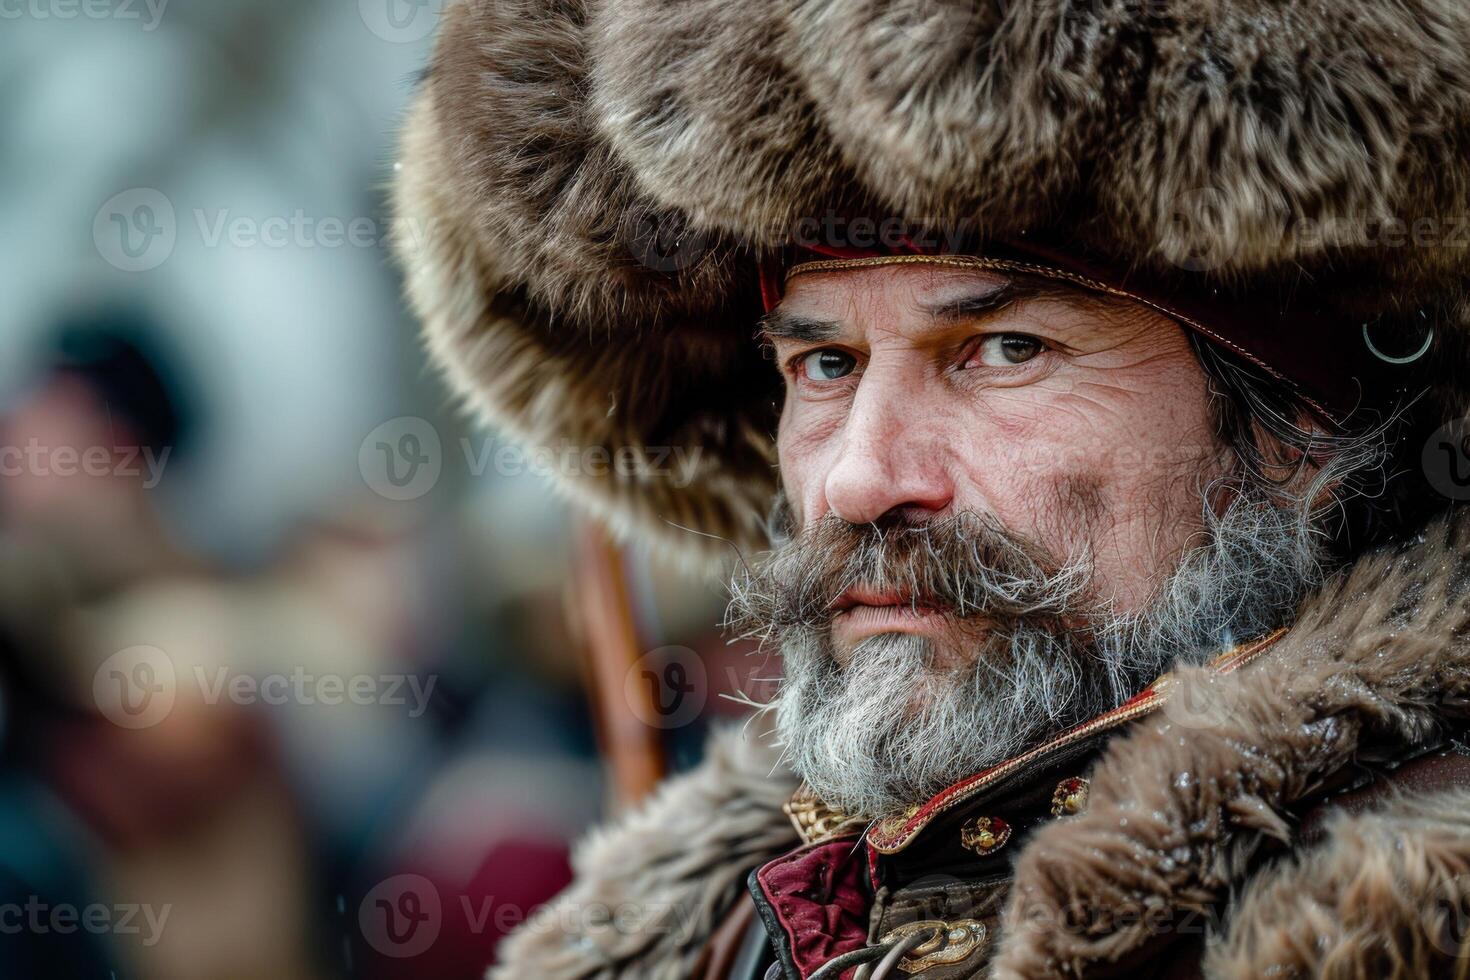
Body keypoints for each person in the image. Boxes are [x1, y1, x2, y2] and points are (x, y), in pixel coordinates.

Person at [392, 1, 1470, 976]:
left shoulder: (1407, 923)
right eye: (825, 365)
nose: (862, 477)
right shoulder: (713, 935)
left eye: (1003, 350)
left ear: (1300, 435)